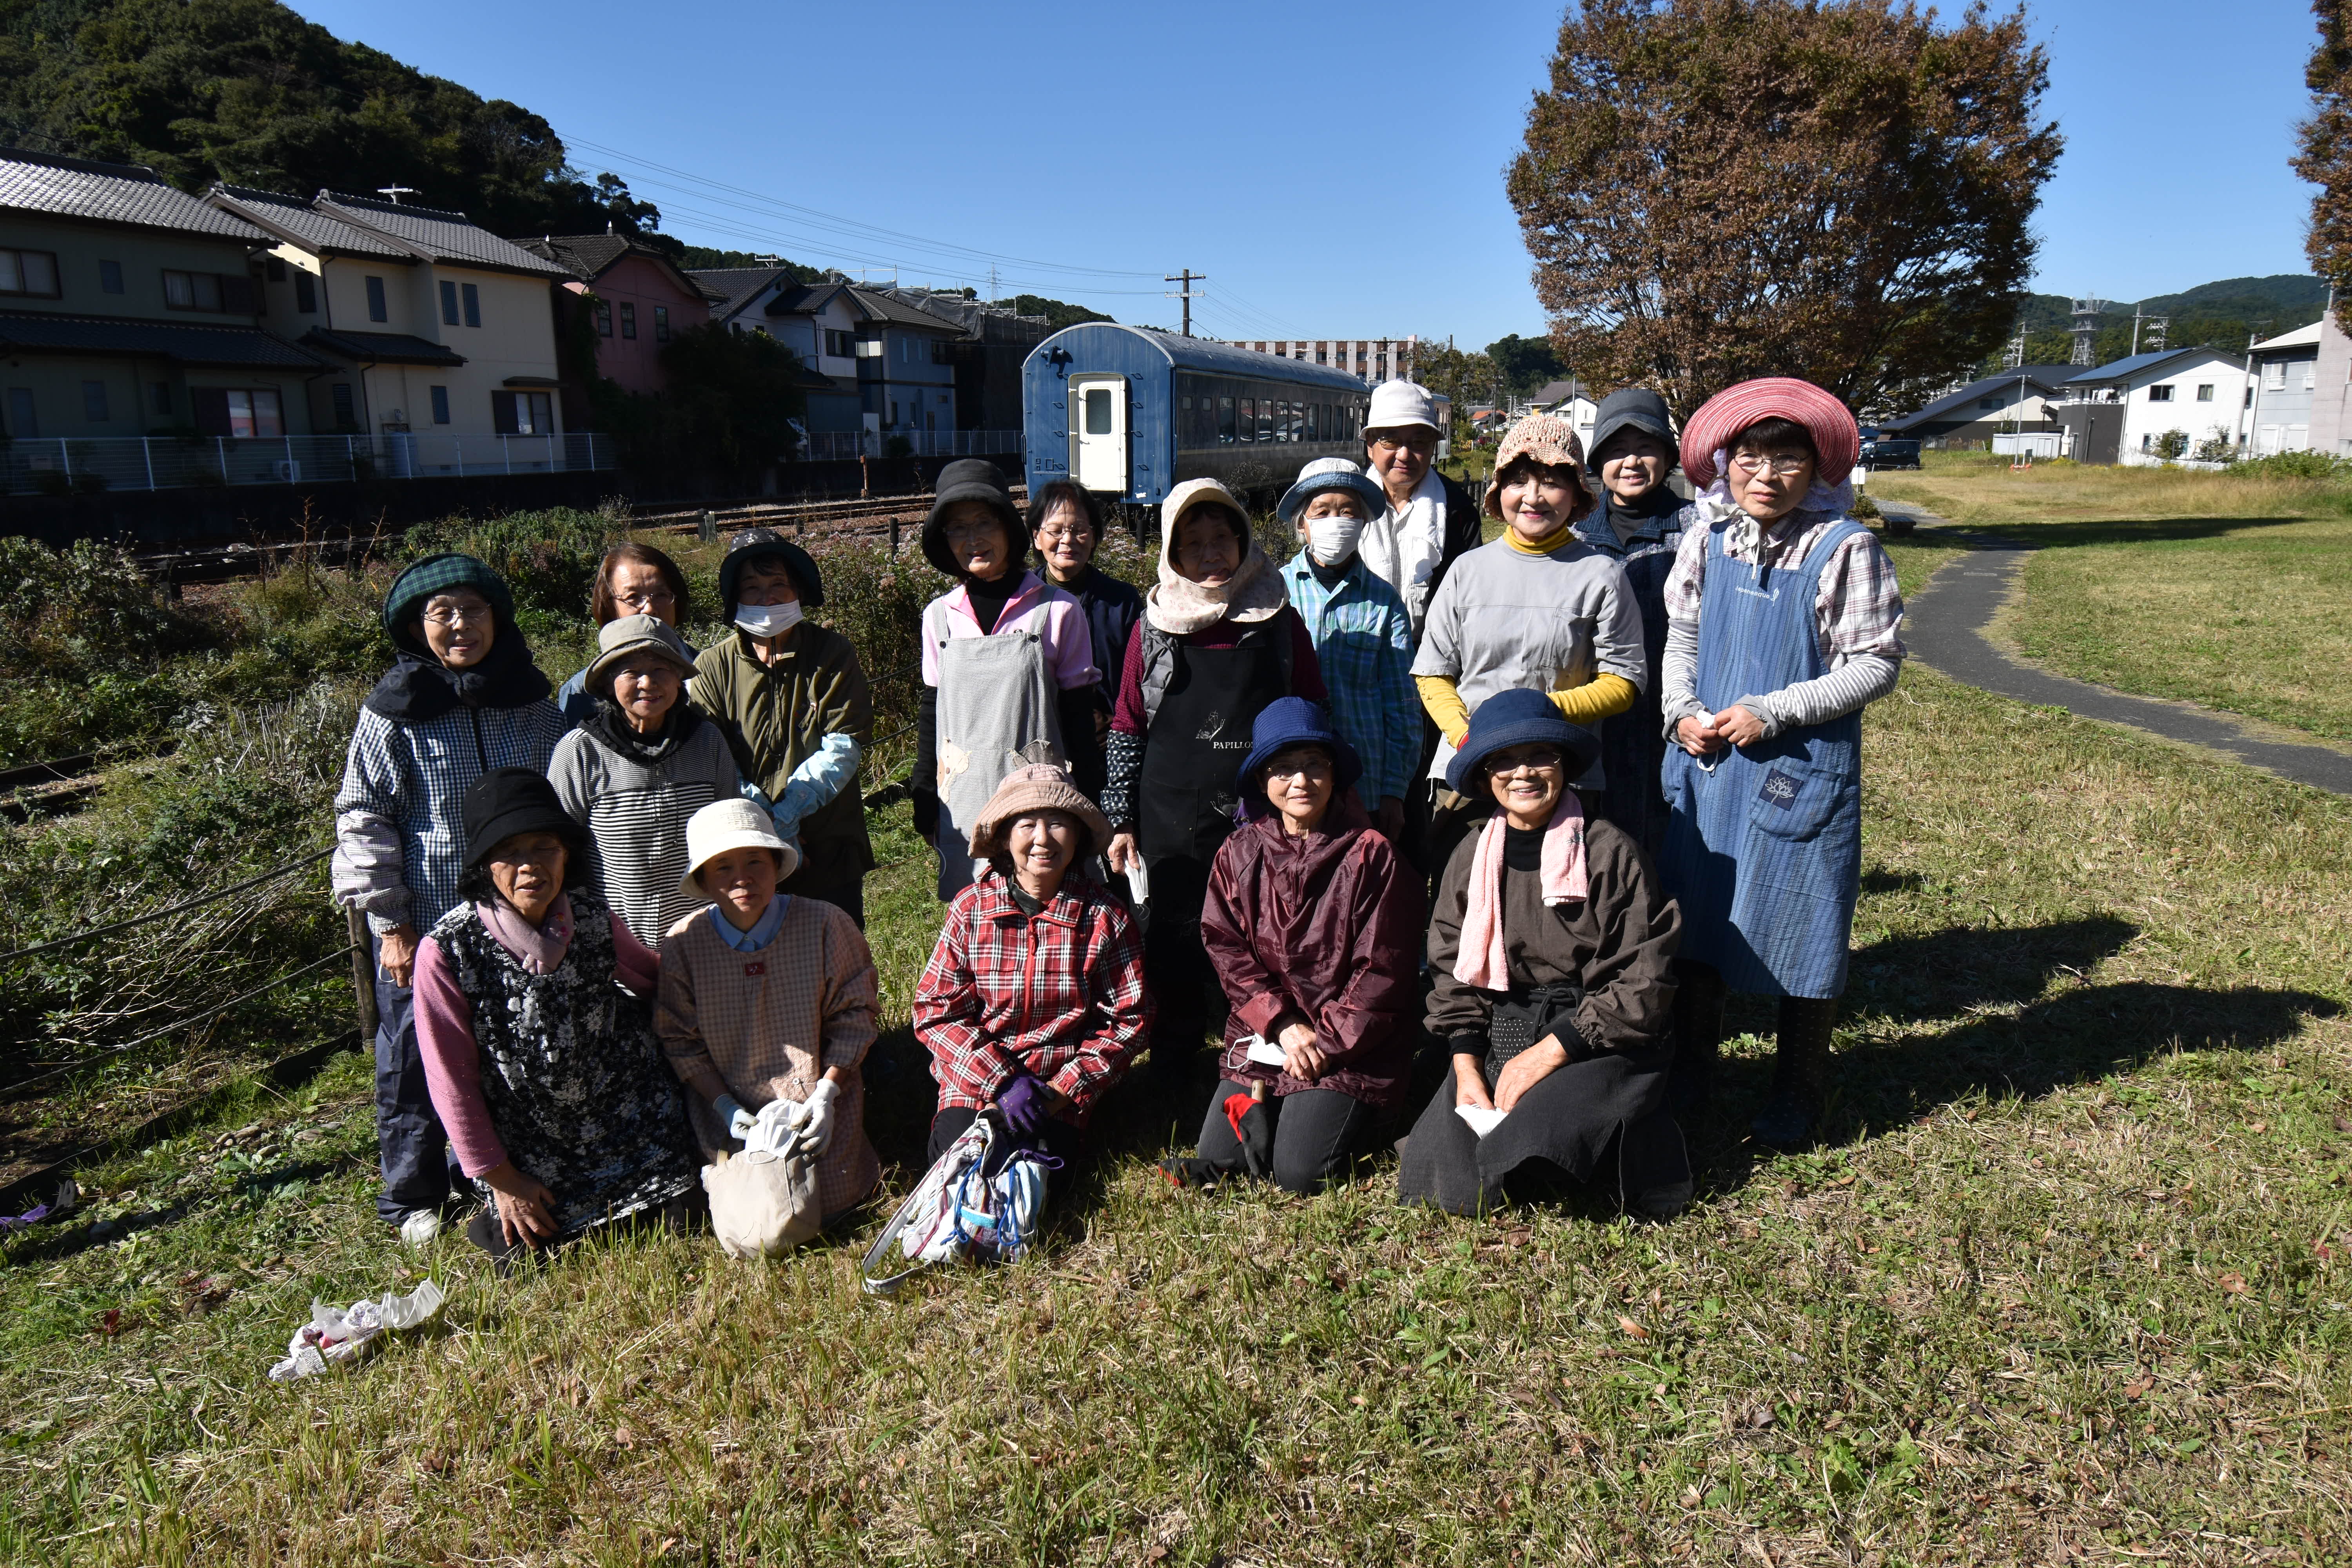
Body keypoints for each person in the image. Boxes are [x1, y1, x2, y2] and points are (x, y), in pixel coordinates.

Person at [1658, 377, 1905, 1147]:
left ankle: (1799, 1089)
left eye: (1787, 457)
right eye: (1751, 456)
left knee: (1808, 926)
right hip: (1708, 766)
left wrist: (1774, 709)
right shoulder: (1708, 538)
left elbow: (1875, 665)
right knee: (1696, 918)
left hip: (1799, 767)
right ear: (1725, 463)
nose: (1765, 474)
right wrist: (1678, 711)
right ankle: (1692, 1072)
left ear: (1819, 466)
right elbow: (1684, 636)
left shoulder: (1845, 547)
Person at [332, 554, 569, 1246]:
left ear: (498, 618)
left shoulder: (531, 703)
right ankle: (412, 1195)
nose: (460, 626)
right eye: (442, 615)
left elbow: (561, 800)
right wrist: (392, 923)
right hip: (426, 922)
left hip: (514, 920)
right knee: (410, 1055)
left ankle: (490, 1174)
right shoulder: (393, 712)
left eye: (473, 610)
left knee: (507, 1050)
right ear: (416, 627)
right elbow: (363, 815)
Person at [1397, 690, 1688, 1219]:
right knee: (1448, 1178)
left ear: (1565, 765)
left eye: (1539, 756)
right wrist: (1466, 1067)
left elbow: (1643, 978)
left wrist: (1551, 1052)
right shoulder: (1469, 857)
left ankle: (1650, 1133)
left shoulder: (1609, 851)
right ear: (1485, 775)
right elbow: (1450, 969)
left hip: (1595, 1031)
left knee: (1531, 1149)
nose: (1522, 773)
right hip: (1506, 1020)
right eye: (1503, 760)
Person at [411, 769, 702, 1270]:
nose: (530, 866)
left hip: (626, 1114)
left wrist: (729, 964)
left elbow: (657, 980)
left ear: (567, 853)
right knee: (522, 1254)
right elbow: (449, 1079)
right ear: (484, 866)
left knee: (690, 1215)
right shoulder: (446, 951)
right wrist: (502, 1179)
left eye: (544, 847)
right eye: (510, 851)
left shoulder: (589, 913)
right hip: (531, 1138)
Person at [1102, 479, 1328, 1067]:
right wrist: (1121, 816)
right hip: (1171, 803)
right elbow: (1128, 721)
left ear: (1244, 541)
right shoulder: (1155, 623)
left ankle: (1251, 1034)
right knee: (1175, 922)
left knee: (1260, 920)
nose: (1210, 554)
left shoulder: (1277, 619)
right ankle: (1176, 1043)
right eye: (1193, 542)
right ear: (1173, 554)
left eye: (1221, 538)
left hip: (1260, 802)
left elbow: (1310, 708)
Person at [1164, 699, 1423, 1194]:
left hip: (1350, 1042)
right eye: (1283, 767)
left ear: (1334, 772)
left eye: (1313, 764)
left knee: (1299, 1173)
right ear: (1263, 780)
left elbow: (1382, 973)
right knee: (1218, 1158)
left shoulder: (1371, 854)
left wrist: (1323, 1043)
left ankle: (1378, 1121)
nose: (1300, 781)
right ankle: (1287, 1106)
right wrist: (1281, 1023)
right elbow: (1226, 947)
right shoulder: (1239, 852)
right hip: (1268, 1033)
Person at [1412, 411, 1647, 877]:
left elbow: (1624, 681)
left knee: (1559, 904)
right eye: (1519, 480)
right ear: (1500, 492)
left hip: (1563, 771)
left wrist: (1542, 720)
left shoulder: (1600, 575)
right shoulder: (1467, 571)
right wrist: (1469, 738)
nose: (1534, 496)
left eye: (1552, 481)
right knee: (1463, 901)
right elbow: (1433, 672)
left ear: (1578, 494)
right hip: (1470, 768)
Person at [913, 764, 1152, 1183]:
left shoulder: (1104, 917)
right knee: (958, 1169)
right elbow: (937, 1010)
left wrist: (1058, 1093)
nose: (1043, 838)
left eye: (1058, 823)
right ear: (1006, 838)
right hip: (977, 1078)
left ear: (1077, 836)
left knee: (1033, 1176)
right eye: (1027, 824)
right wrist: (1001, 1083)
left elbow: (1129, 1021)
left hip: (1057, 1086)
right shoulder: (971, 909)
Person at [655, 799, 882, 1225]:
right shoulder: (685, 943)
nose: (743, 878)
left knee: (832, 1202)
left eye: (756, 860)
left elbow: (856, 1017)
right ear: (703, 880)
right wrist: (724, 1106)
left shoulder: (826, 924)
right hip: (731, 1107)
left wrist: (828, 1094)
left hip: (817, 1100)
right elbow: (679, 1040)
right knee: (755, 1215)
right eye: (723, 867)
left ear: (777, 865)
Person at [911, 460, 1100, 899]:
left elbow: (1077, 718)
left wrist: (1089, 803)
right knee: (976, 919)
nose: (973, 538)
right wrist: (923, 790)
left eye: (984, 522)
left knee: (1047, 910)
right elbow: (930, 710)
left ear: (1010, 530)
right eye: (957, 528)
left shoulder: (1058, 610)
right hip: (963, 797)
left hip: (1040, 802)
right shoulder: (939, 617)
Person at [690, 528, 875, 927]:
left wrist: (791, 811)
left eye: (778, 584)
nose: (768, 597)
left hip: (828, 844)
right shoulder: (711, 667)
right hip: (744, 850)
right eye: (753, 587)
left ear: (799, 591)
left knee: (838, 961)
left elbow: (843, 745)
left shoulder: (832, 652)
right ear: (735, 597)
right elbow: (711, 752)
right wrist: (765, 823)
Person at [548, 614, 740, 945]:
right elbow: (560, 848)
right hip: (612, 943)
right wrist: (580, 929)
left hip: (703, 937)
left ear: (680, 677)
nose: (647, 683)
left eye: (661, 670)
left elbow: (731, 831)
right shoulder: (579, 751)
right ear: (609, 682)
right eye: (631, 672)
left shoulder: (707, 741)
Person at [1573, 388, 1697, 858]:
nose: (1632, 462)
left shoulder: (1697, 529)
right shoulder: (1575, 534)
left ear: (1668, 457)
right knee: (1598, 834)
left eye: (1646, 448)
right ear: (1599, 459)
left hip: (1673, 707)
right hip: (1594, 709)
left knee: (1670, 827)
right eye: (1617, 450)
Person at [1275, 458, 1418, 845]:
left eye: (1348, 511)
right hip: (1292, 789)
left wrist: (1394, 790)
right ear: (1302, 524)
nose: (1336, 520)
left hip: (1365, 784)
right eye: (1322, 512)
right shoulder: (1274, 594)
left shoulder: (1384, 602)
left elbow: (1402, 703)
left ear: (1362, 523)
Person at [1029, 479, 1142, 799]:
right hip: (1040, 746)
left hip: (1108, 747)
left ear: (1093, 537)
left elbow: (1137, 680)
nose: (1068, 540)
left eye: (1079, 529)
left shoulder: (1122, 600)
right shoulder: (1022, 601)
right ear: (1037, 537)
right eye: (1056, 530)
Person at [1357, 380, 1485, 636]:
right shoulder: (1349, 504)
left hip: (1431, 659)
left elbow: (1472, 597)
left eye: (1419, 442)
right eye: (1391, 441)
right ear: (1371, 445)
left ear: (1433, 448)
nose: (1404, 455)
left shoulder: (1457, 511)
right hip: (1356, 656)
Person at [554, 544, 694, 724]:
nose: (649, 608)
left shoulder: (710, 669)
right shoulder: (581, 692)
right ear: (609, 606)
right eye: (633, 597)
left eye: (661, 595)